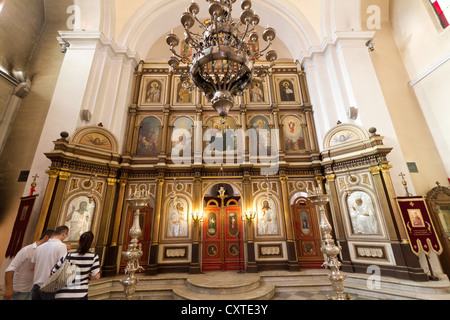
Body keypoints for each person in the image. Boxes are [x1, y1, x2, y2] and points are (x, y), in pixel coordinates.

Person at [3, 230, 54, 300]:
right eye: (53, 241)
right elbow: (10, 269)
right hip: (17, 291)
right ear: (46, 237)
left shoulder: (46, 252)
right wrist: (9, 289)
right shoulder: (27, 250)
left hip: (31, 290)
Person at [50, 231, 100, 300]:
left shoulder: (68, 255)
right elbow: (96, 276)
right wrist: (88, 276)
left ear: (78, 242)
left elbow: (53, 272)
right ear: (90, 244)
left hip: (62, 294)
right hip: (80, 294)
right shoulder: (93, 257)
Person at [30, 225, 69, 300]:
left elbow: (32, 267)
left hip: (36, 286)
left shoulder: (39, 247)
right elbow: (62, 267)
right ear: (64, 234)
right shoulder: (61, 246)